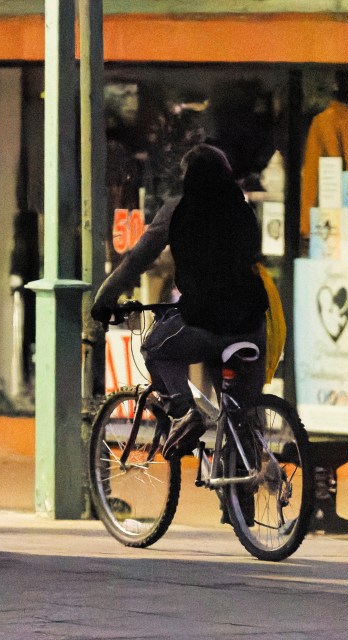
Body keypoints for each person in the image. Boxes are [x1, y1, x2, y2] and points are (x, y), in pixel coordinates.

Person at [92, 144, 268, 459]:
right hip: (252, 321)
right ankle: (246, 486)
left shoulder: (178, 209)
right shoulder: (243, 210)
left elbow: (136, 261)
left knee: (154, 348)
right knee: (241, 419)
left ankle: (186, 413)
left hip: (206, 320)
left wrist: (105, 298)